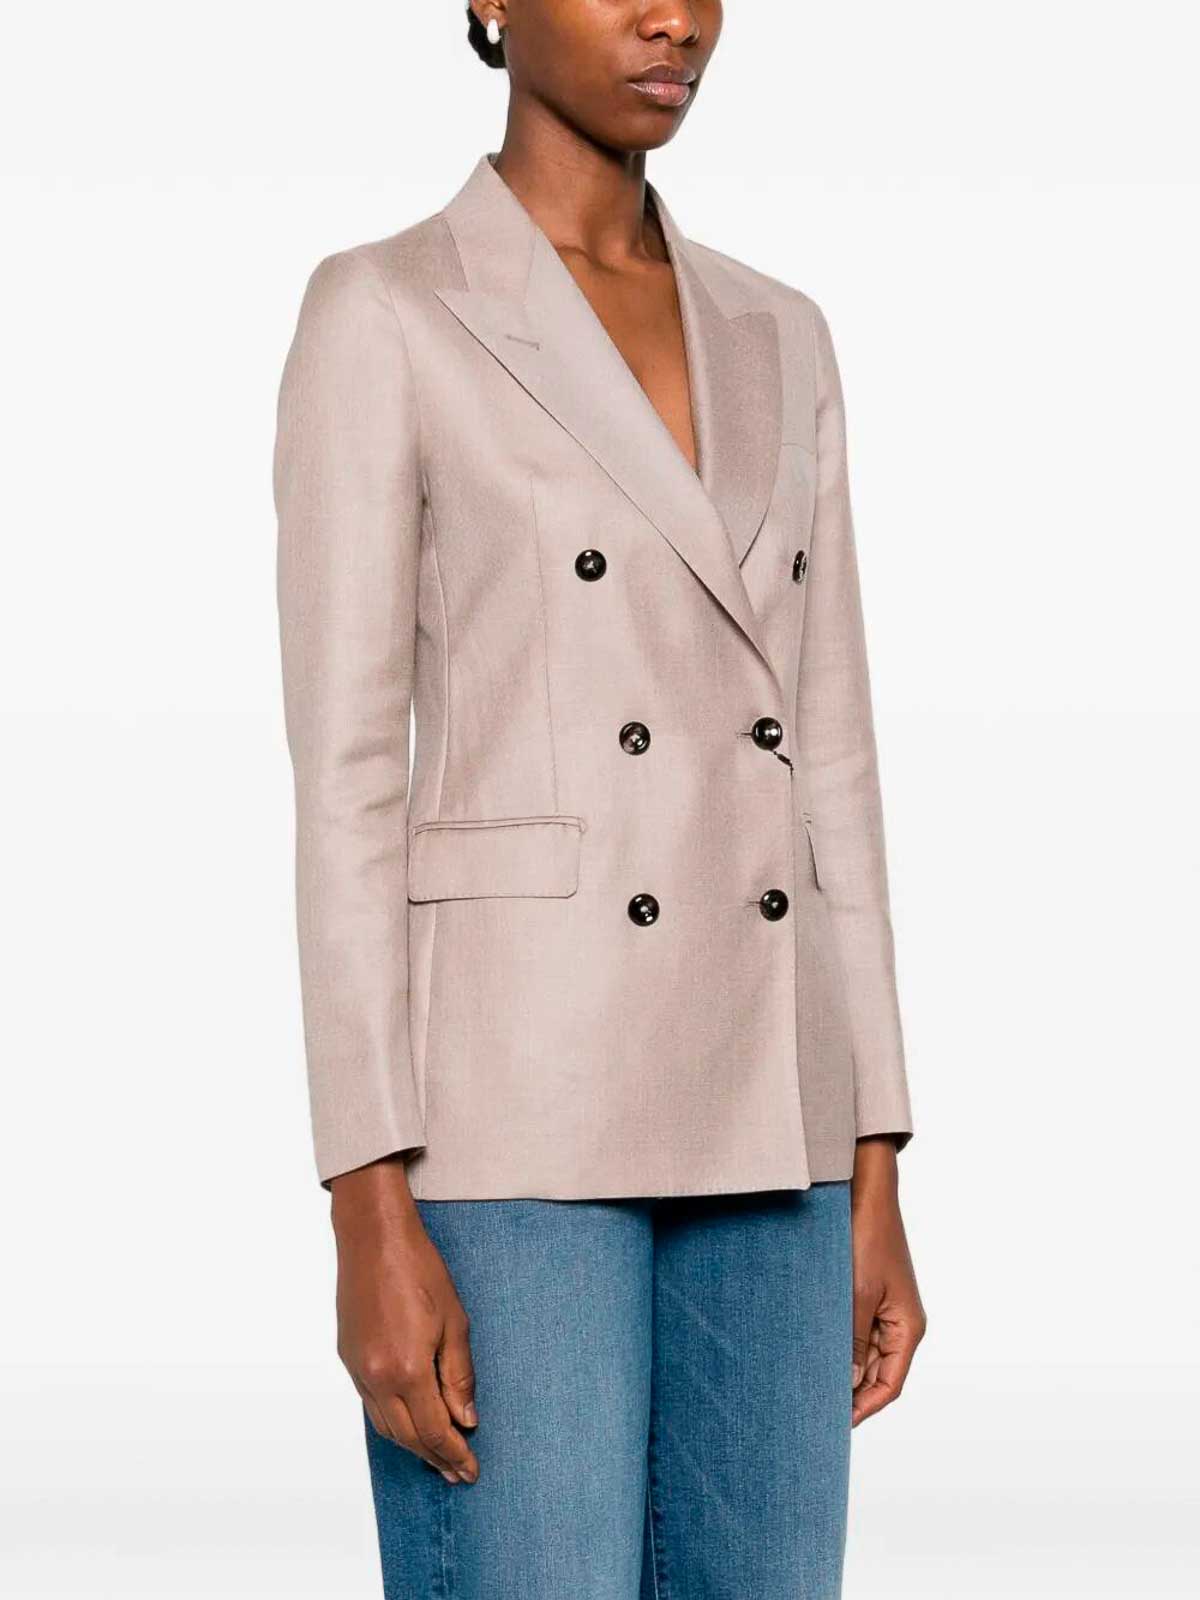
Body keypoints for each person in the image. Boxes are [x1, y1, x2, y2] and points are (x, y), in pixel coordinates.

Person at [274, 3, 925, 1595]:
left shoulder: (782, 331)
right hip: (510, 1123)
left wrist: (875, 1151)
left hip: (776, 1122)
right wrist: (366, 1196)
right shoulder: (389, 309)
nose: (675, 18)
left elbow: (832, 758)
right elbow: (348, 784)